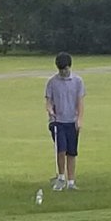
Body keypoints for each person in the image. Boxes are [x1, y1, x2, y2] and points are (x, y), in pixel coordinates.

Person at [45, 52, 85, 190]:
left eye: (65, 69)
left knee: (71, 152)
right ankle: (61, 178)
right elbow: (48, 102)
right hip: (57, 121)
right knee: (61, 149)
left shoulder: (78, 81)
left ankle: (71, 181)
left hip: (71, 121)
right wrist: (50, 111)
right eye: (61, 70)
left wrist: (79, 119)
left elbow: (80, 102)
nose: (63, 72)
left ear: (70, 67)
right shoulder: (52, 82)